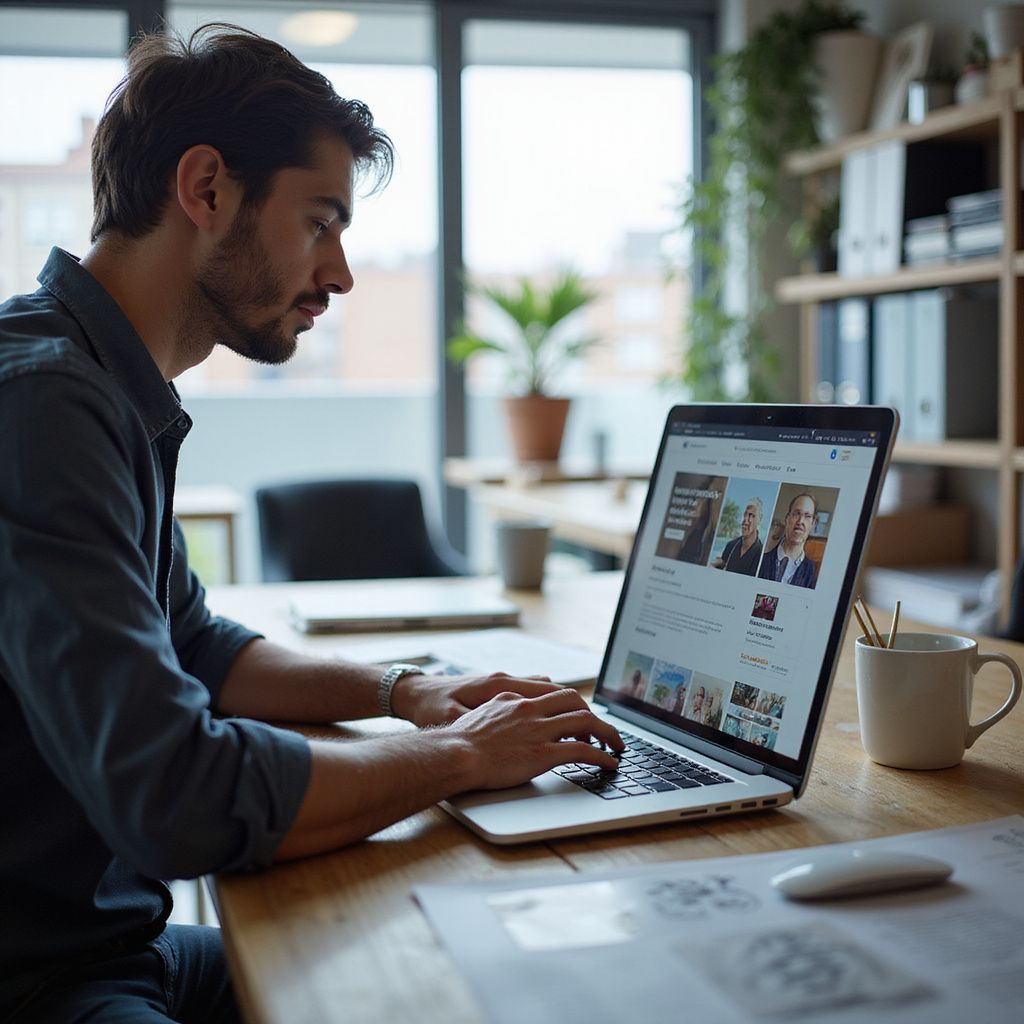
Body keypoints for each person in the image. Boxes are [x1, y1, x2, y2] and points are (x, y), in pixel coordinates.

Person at [0, 24, 624, 1023]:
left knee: (444, 960)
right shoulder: (41, 408)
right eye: (320, 221)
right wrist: (466, 755)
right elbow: (175, 795)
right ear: (205, 189)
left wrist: (410, 691)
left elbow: (195, 646)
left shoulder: (101, 387)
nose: (338, 273)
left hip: (107, 941)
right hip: (38, 979)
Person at [757, 492, 819, 589]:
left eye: (807, 516)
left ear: (813, 523)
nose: (800, 521)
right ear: (787, 519)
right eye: (796, 514)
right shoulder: (761, 558)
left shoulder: (812, 571)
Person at [713, 497, 764, 575]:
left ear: (760, 519)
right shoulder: (731, 545)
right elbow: (721, 564)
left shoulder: (761, 553)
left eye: (752, 516)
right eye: (745, 515)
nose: (746, 521)